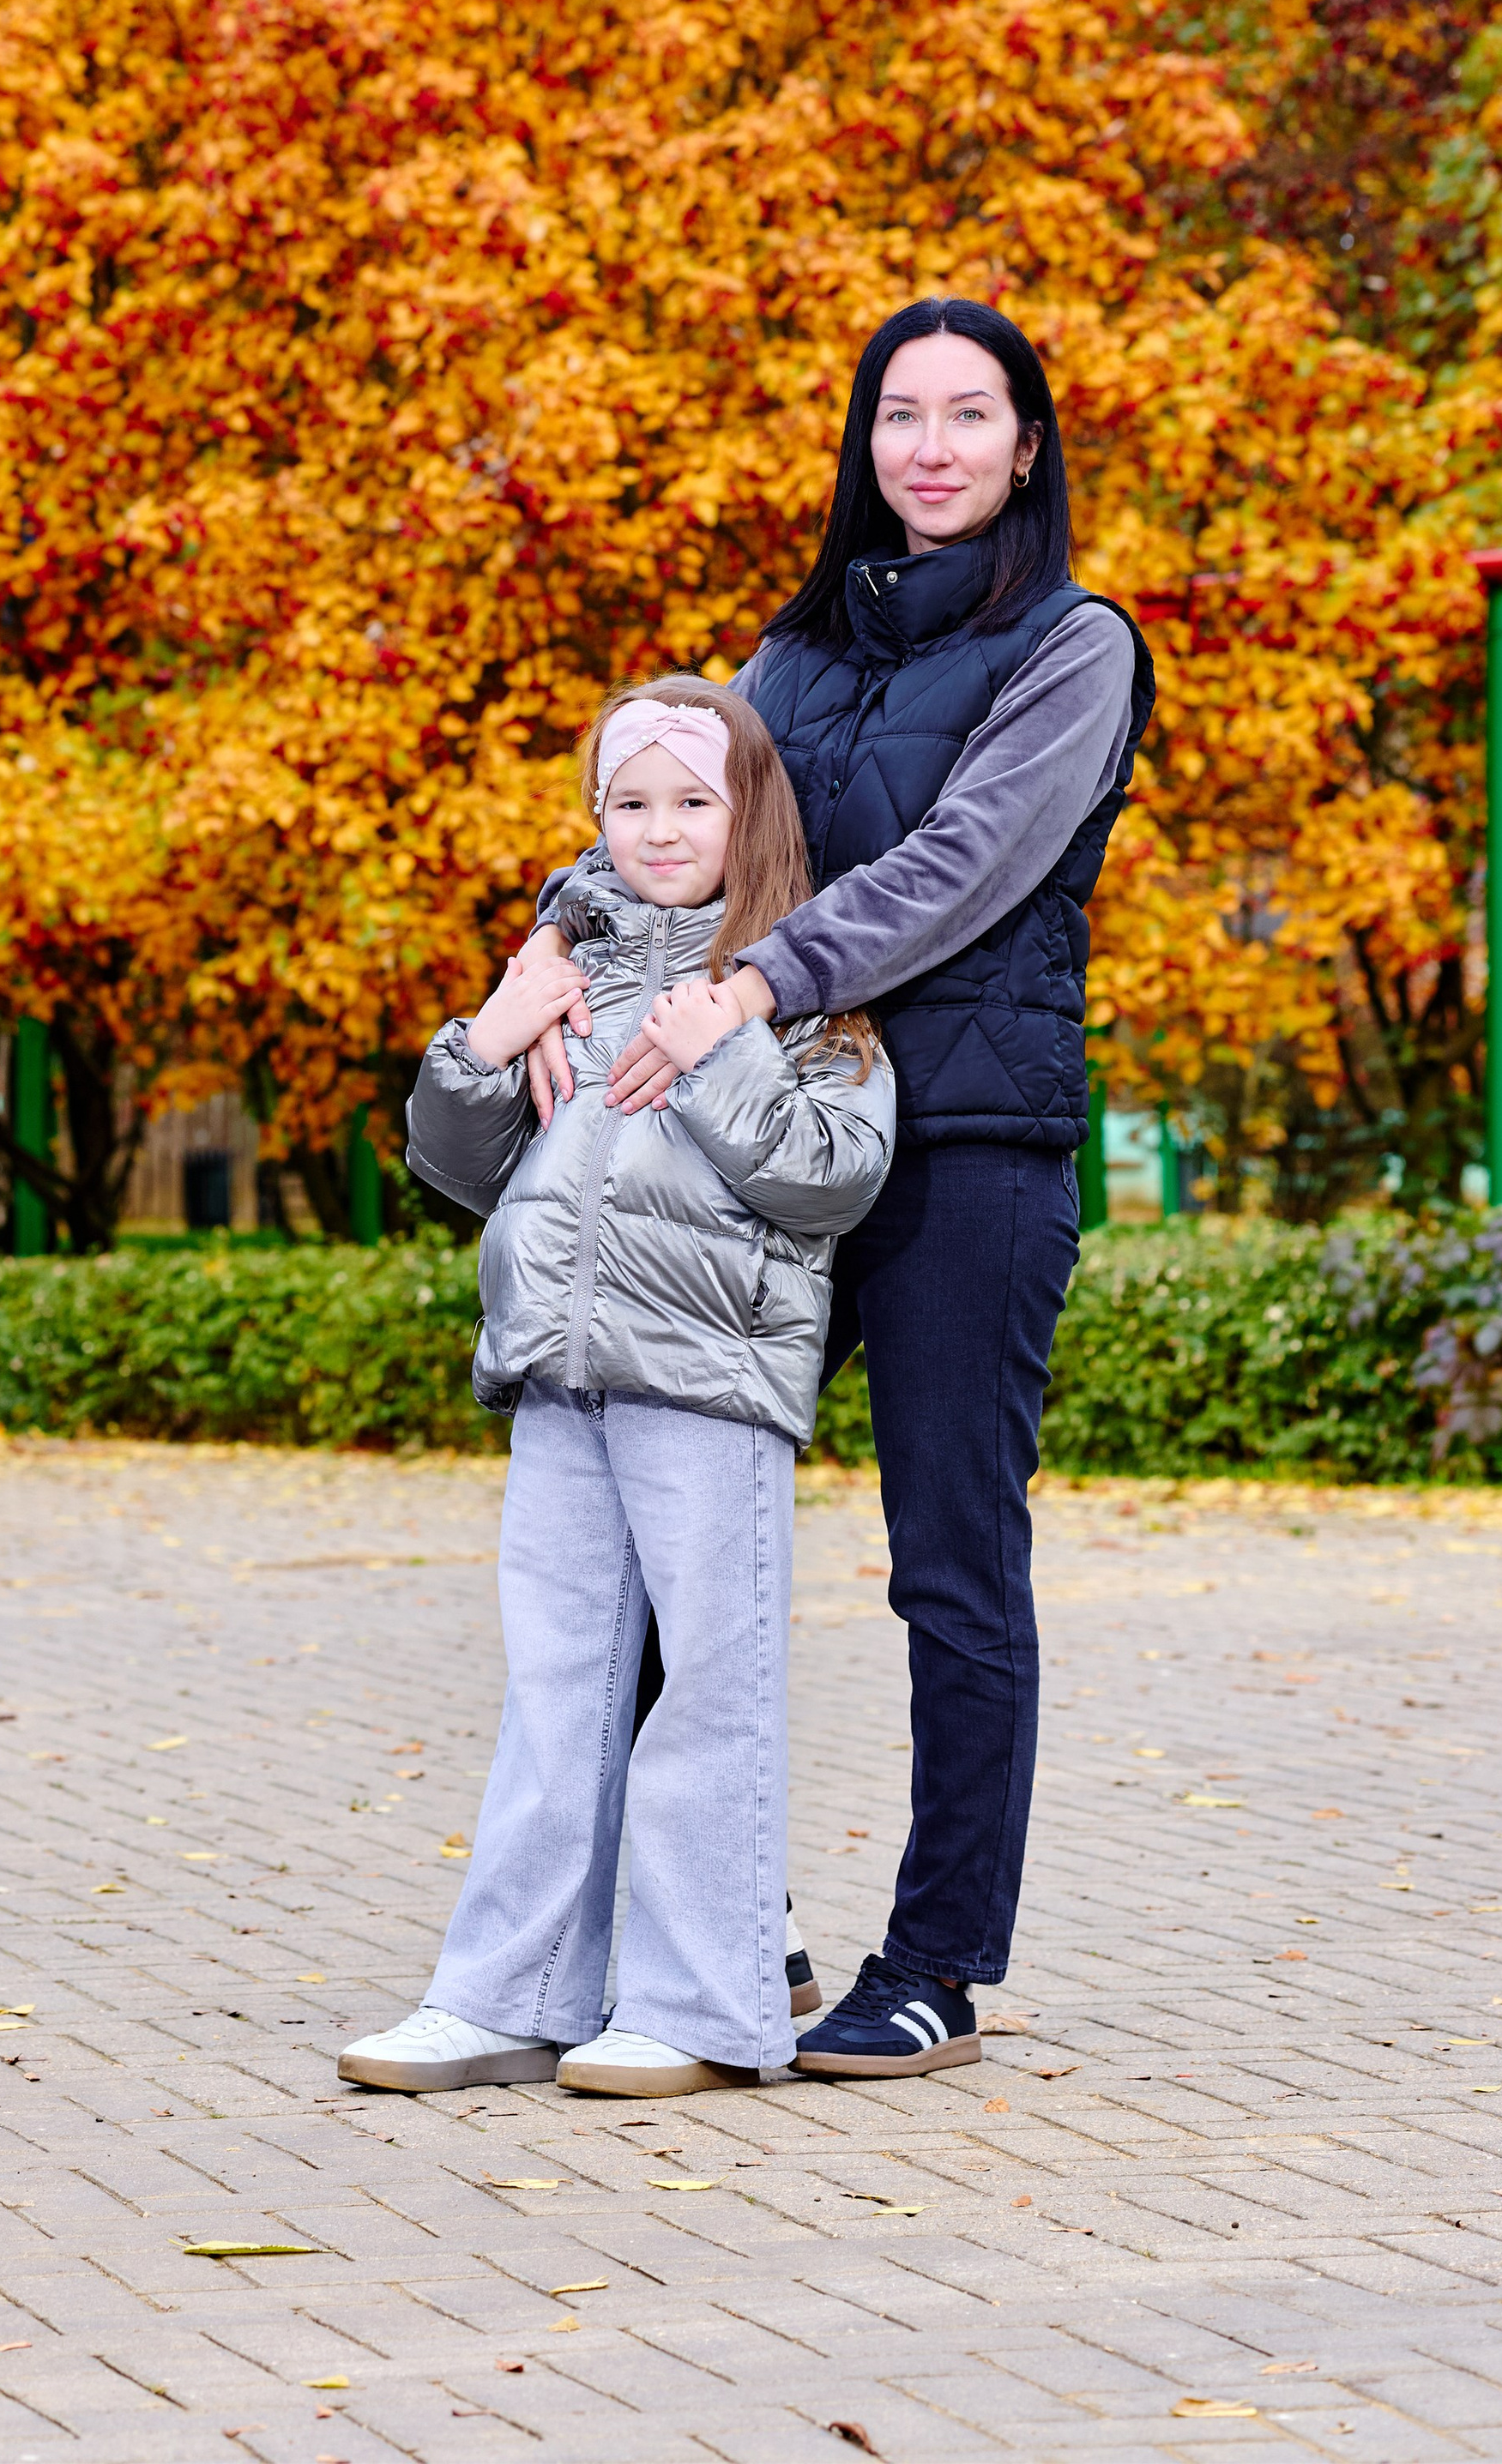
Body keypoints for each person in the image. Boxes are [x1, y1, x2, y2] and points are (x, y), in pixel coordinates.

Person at [521, 300, 1155, 2079]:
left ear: (1026, 445)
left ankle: (935, 1964)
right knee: (671, 1551)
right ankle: (724, 1933)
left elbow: (966, 866)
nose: (931, 447)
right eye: (900, 415)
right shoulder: (787, 661)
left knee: (948, 1572)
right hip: (766, 1151)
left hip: (961, 1150)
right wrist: (544, 951)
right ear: (861, 443)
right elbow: (659, 813)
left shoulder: (1072, 646)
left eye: (970, 415)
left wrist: (754, 977)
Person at [337, 678, 895, 2101]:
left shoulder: (797, 978)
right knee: (555, 1694)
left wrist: (723, 1056)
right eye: (627, 801)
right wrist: (489, 1033)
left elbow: (830, 1179)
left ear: (746, 811)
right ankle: (507, 1996)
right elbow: (463, 1169)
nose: (658, 829)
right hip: (556, 1374)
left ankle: (708, 2008)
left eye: (691, 800)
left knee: (710, 1690)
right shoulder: (563, 969)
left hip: (708, 1380)